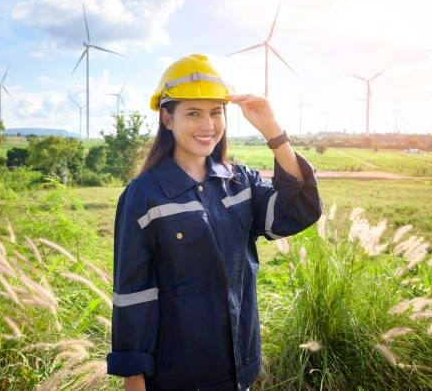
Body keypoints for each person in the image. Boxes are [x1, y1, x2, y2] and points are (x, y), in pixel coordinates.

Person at [106, 54, 323, 391]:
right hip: (179, 375)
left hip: (240, 369)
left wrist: (272, 131)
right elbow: (133, 293)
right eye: (193, 113)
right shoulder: (144, 195)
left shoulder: (240, 182)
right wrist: (134, 379)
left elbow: (298, 209)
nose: (208, 126)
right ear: (167, 118)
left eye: (215, 112)